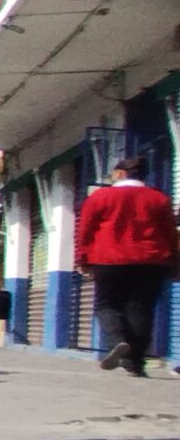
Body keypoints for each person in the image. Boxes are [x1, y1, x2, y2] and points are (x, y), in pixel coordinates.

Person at [76, 156, 177, 377]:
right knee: (141, 308)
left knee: (106, 305)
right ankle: (135, 364)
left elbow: (86, 230)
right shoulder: (159, 199)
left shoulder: (100, 197)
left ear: (121, 173)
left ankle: (117, 341)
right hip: (151, 261)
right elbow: (170, 233)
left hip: (108, 260)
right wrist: (174, 262)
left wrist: (83, 258)